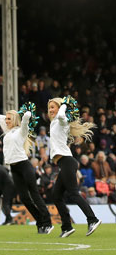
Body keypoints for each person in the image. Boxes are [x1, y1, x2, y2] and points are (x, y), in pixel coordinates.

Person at [48, 97, 101, 238]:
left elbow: (61, 115)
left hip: (67, 162)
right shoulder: (54, 123)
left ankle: (92, 219)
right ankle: (66, 227)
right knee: (56, 195)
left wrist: (64, 104)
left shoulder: (62, 121)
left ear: (60, 108)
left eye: (53, 107)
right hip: (63, 163)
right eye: (49, 108)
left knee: (73, 193)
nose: (51, 110)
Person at [0, 108, 52, 233]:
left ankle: (47, 222)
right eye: (6, 119)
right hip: (14, 167)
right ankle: (40, 221)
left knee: (34, 194)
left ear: (16, 120)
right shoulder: (8, 132)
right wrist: (9, 115)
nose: (6, 121)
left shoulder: (20, 131)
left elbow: (25, 122)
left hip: (24, 166)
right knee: (24, 198)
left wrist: (24, 116)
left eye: (9, 119)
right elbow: (0, 117)